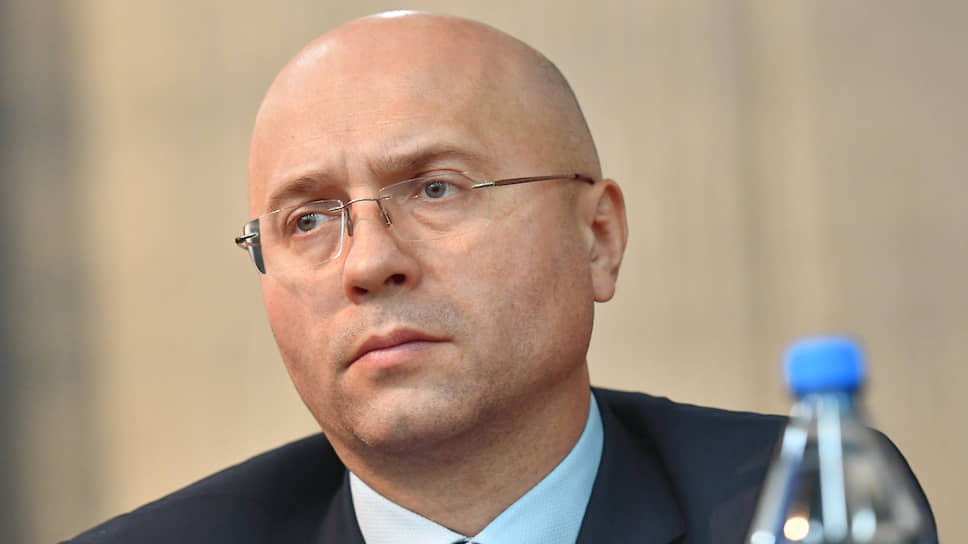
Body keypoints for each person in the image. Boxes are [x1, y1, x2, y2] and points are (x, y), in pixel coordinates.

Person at [64, 11, 935, 544]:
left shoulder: (795, 509)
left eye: (437, 189)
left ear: (598, 238)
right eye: (309, 220)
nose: (368, 262)